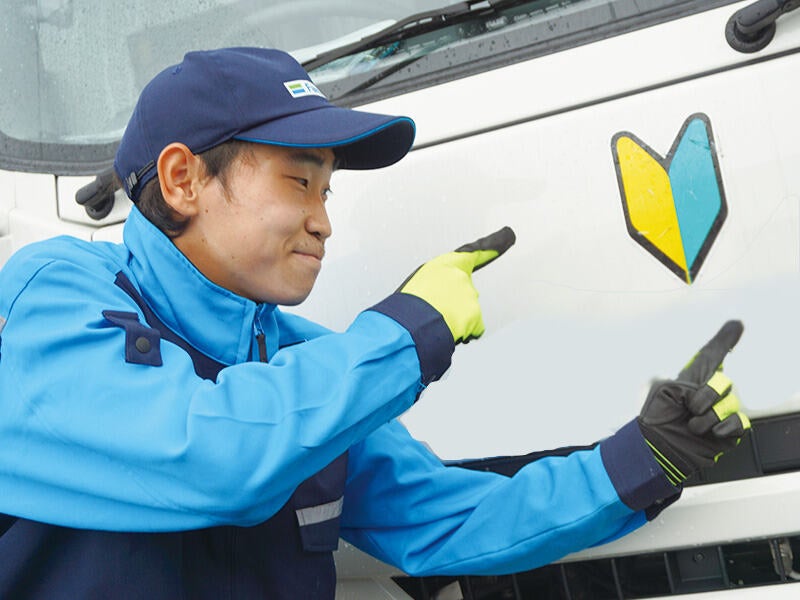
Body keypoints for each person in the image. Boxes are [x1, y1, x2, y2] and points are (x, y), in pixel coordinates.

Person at [0, 47, 749, 599]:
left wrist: (644, 457)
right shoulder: (55, 295)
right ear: (182, 179)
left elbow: (448, 520)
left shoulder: (310, 366)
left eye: (328, 192)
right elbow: (208, 457)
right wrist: (408, 334)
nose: (323, 222)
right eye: (300, 182)